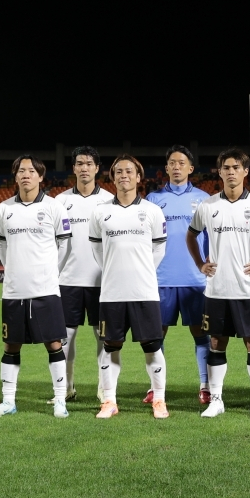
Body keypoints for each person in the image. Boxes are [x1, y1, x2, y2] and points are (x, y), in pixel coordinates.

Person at [186, 148, 250, 419]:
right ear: (219, 172)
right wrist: (200, 264)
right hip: (217, 289)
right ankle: (216, 400)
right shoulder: (208, 206)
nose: (231, 172)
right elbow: (190, 236)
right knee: (217, 342)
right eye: (226, 167)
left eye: (236, 167)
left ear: (245, 172)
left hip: (248, 289)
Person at [0, 155, 72, 419]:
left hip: (45, 289)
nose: (26, 174)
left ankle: (60, 400)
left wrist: (49, 272)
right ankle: (9, 401)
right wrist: (14, 267)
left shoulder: (53, 207)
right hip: (13, 291)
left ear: (40, 176)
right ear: (15, 177)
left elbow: (65, 246)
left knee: (54, 344)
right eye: (21, 171)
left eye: (31, 171)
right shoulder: (4, 209)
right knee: (11, 345)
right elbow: (1, 245)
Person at [89, 155, 169, 419]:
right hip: (111, 292)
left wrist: (141, 270)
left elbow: (159, 250)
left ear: (138, 177)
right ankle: (109, 401)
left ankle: (159, 400)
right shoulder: (101, 212)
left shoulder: (152, 211)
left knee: (152, 346)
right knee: (110, 346)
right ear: (112, 178)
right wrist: (116, 270)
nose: (124, 175)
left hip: (144, 291)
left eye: (129, 171)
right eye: (118, 171)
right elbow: (97, 251)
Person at [145, 145, 212, 404]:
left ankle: (205, 385)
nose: (176, 167)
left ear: (190, 168)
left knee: (201, 335)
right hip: (160, 279)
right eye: (172, 163)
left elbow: (210, 237)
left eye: (181, 163)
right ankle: (155, 388)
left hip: (195, 280)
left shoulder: (205, 199)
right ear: (166, 168)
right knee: (155, 337)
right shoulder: (152, 199)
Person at [54, 146, 111, 404]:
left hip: (102, 282)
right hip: (67, 282)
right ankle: (66, 389)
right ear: (74, 168)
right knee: (65, 340)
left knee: (103, 339)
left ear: (97, 168)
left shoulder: (109, 200)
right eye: (80, 163)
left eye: (89, 163)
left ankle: (104, 390)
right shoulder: (60, 202)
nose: (84, 168)